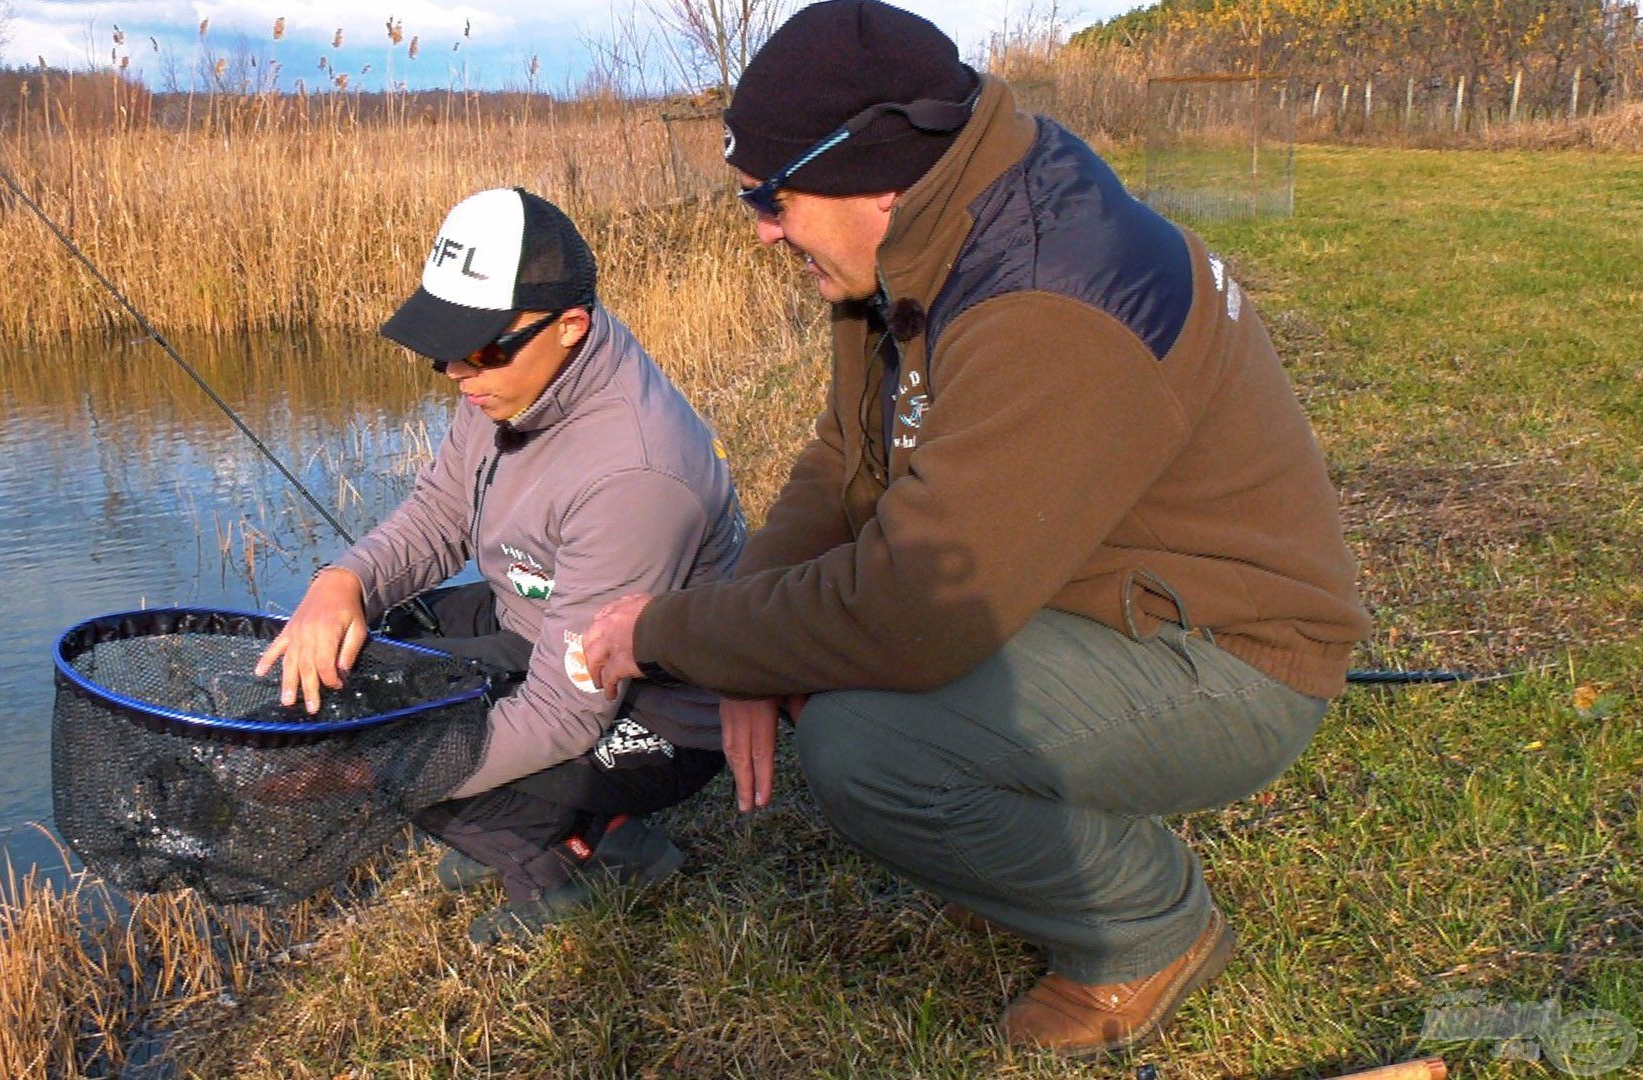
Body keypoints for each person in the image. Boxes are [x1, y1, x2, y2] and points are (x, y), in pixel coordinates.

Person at [580, 0, 1370, 1059]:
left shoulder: (1042, 297)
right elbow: (842, 462)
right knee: (828, 677)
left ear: (870, 171)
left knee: (868, 744)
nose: (764, 229)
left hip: (1235, 654)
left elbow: (909, 617)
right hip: (1098, 592)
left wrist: (669, 632)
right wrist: (738, 639)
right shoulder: (928, 236)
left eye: (772, 198)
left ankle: (1146, 925)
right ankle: (1062, 819)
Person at [258, 187, 744, 944]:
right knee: (369, 650)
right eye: (445, 348)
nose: (457, 371)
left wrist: (383, 773)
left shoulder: (634, 476)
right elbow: (441, 514)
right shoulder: (511, 379)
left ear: (569, 326)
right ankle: (521, 826)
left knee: (400, 743)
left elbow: (563, 713)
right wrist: (341, 582)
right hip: (540, 614)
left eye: (480, 347)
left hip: (657, 710)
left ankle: (593, 854)